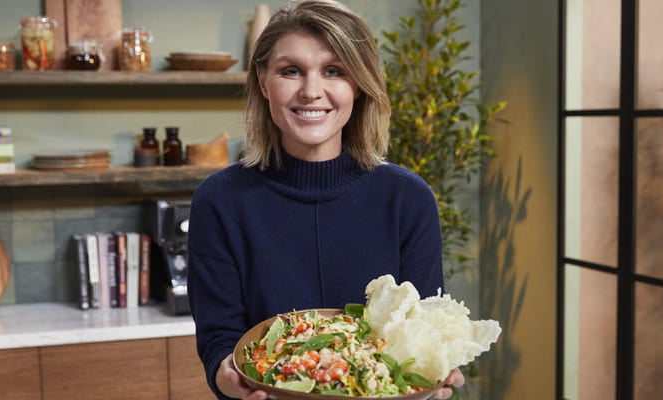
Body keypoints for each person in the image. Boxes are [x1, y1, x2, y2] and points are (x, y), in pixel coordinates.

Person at [187, 0, 464, 399]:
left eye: (334, 71)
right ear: (264, 81)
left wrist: (430, 379)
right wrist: (230, 377)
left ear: (358, 85)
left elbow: (420, 332)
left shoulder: (408, 199)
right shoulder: (219, 202)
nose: (311, 91)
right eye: (291, 71)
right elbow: (220, 343)